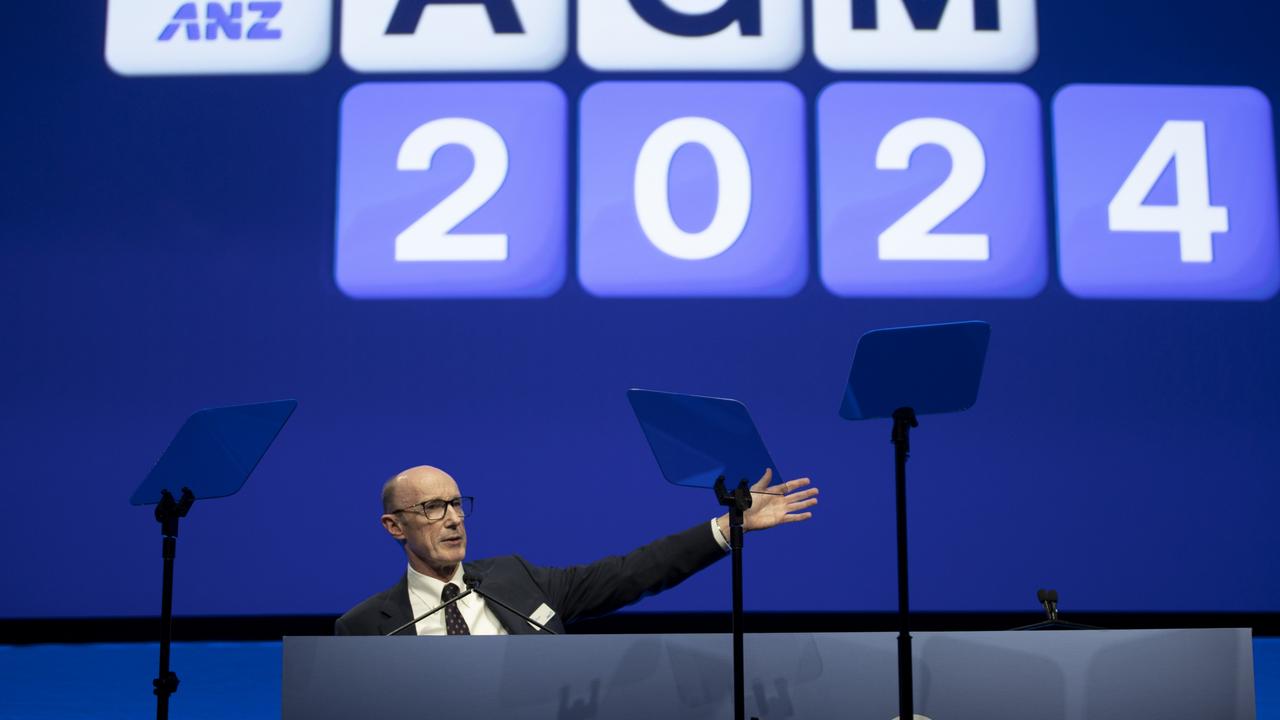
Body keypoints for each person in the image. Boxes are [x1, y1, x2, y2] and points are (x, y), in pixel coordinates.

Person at [334, 464, 818, 635]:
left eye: (458, 504)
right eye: (434, 508)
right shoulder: (366, 627)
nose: (455, 519)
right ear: (394, 527)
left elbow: (633, 572)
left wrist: (730, 525)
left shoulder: (513, 580)